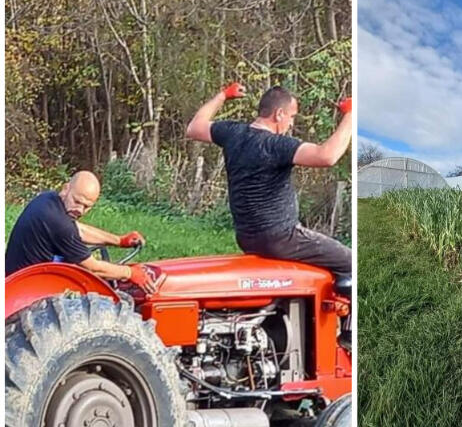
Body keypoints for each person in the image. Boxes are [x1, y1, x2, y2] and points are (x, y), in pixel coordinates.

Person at [186, 83, 353, 280]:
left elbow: (194, 128)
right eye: (292, 117)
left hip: (247, 238)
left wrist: (222, 95)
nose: (291, 123)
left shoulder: (233, 133)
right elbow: (327, 156)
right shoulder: (275, 145)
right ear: (279, 114)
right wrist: (351, 115)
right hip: (282, 238)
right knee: (351, 262)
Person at [5, 171, 158, 292]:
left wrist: (119, 240)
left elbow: (78, 229)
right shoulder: (58, 223)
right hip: (30, 286)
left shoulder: (48, 200)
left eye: (87, 206)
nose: (80, 210)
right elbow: (92, 267)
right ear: (66, 189)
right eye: (77, 202)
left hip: (17, 276)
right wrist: (130, 273)